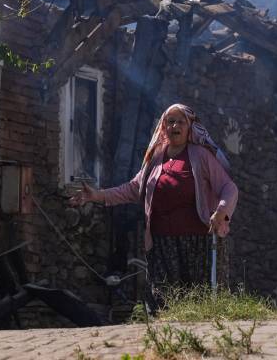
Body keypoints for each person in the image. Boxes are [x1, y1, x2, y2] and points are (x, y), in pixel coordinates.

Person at [69, 103, 238, 309]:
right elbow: (133, 189)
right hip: (161, 244)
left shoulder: (200, 156)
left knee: (197, 301)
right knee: (162, 302)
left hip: (197, 243)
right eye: (170, 121)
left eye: (181, 122)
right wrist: (97, 195)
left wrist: (221, 211)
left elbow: (229, 187)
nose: (175, 126)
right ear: (163, 126)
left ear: (190, 127)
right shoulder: (156, 158)